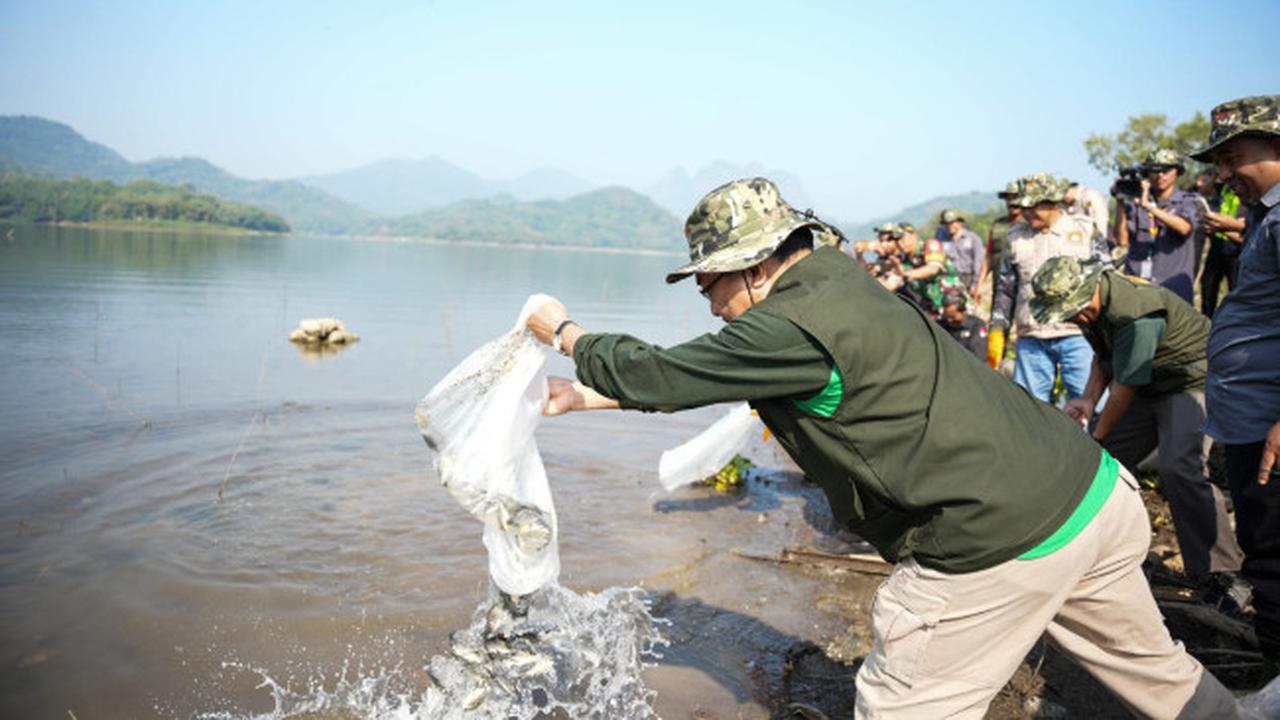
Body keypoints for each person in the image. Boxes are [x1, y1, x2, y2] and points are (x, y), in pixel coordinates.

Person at [527, 177, 1242, 718]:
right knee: (1156, 673)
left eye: (710, 284)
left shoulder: (788, 327)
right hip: (1093, 496)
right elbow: (739, 376)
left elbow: (657, 371)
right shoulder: (839, 279)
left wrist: (564, 332)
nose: (711, 305)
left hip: (999, 538)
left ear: (757, 265)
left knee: (900, 702)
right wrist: (584, 397)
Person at [1030, 256, 1247, 605]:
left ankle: (1223, 573)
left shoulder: (1136, 314)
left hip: (1190, 381)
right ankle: (1112, 555)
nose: (1072, 319)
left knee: (1180, 467)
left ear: (1088, 291)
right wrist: (1088, 400)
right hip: (1148, 383)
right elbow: (1105, 357)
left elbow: (1124, 389)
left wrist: (1096, 437)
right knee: (1104, 464)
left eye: (1072, 312)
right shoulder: (1092, 307)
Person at [1189, 95, 1280, 663]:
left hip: (1270, 424)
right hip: (1252, 416)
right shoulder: (1265, 218)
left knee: (1272, 548)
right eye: (1218, 162)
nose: (1222, 174)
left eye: (1232, 158)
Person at [990, 173, 1106, 403]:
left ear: (1053, 202)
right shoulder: (1015, 238)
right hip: (1032, 337)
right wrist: (997, 328)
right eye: (1023, 207)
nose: (1027, 213)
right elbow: (1006, 289)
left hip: (1078, 334)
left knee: (1090, 404)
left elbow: (1106, 280)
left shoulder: (1084, 231)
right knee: (1031, 408)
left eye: (1034, 207)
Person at [1114, 149, 1202, 302]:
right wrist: (1120, 201)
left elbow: (1184, 228)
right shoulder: (1135, 202)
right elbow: (1122, 240)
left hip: (1174, 288)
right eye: (1154, 170)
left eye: (1166, 170)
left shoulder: (1188, 200)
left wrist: (1149, 207)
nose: (1160, 175)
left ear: (1177, 171)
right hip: (1138, 286)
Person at [1196, 169, 1247, 317]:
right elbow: (1204, 189)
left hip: (1236, 250)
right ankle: (1207, 322)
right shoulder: (1223, 187)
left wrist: (1223, 228)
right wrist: (1215, 172)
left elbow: (1244, 235)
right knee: (1208, 287)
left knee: (1235, 288)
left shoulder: (1246, 191)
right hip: (1217, 246)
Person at [938, 209, 986, 298]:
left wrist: (975, 285)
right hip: (950, 280)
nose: (949, 226)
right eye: (946, 224)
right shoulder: (941, 241)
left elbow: (979, 263)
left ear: (960, 223)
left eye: (952, 223)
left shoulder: (973, 239)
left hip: (968, 279)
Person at [939, 290, 988, 360]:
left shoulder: (976, 326)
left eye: (947, 305)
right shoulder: (940, 325)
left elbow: (979, 356)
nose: (943, 309)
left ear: (960, 307)